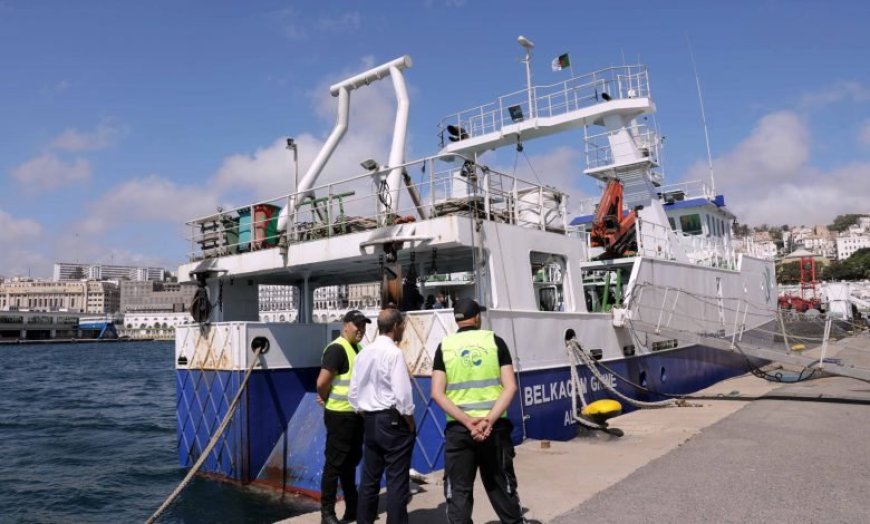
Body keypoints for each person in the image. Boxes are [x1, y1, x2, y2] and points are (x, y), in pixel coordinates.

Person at [431, 298, 526, 524]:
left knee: (459, 491)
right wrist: (488, 420)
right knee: (502, 485)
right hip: (494, 429)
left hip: (460, 431)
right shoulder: (495, 342)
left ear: (457, 320)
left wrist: (467, 422)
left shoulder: (444, 347)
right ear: (477, 318)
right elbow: (510, 386)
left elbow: (437, 393)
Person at [349, 308, 416, 524]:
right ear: (395, 326)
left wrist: (367, 414)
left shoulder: (363, 353)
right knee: (397, 481)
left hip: (370, 420)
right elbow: (403, 396)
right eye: (403, 326)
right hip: (393, 420)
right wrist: (410, 423)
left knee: (369, 479)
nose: (403, 330)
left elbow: (353, 394)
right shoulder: (394, 353)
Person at [317, 310, 371, 524]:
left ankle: (352, 508)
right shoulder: (337, 349)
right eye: (357, 325)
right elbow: (322, 383)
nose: (361, 329)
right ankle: (327, 513)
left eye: (364, 325)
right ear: (346, 325)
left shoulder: (358, 348)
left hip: (355, 416)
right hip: (340, 416)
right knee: (334, 464)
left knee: (350, 463)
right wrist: (327, 398)